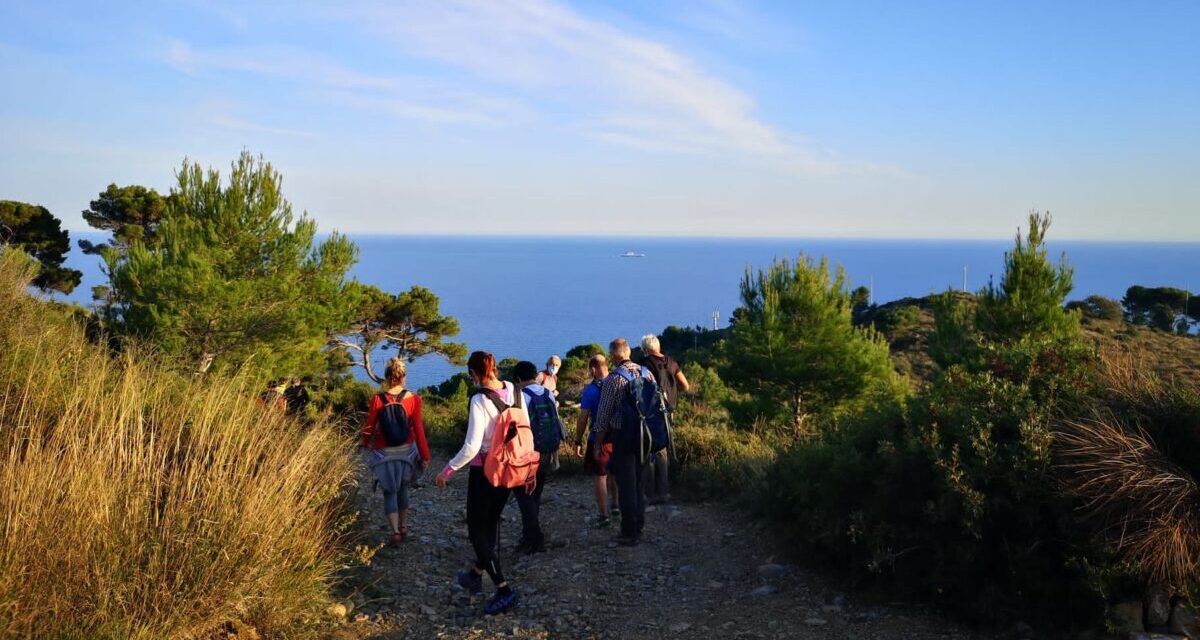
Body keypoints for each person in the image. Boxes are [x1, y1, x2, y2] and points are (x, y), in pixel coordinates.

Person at [436, 351, 520, 615]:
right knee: (490, 522)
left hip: (485, 471)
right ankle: (474, 574)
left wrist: (448, 470)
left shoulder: (479, 399)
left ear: (473, 373)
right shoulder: (514, 391)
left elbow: (472, 446)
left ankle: (504, 589)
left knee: (476, 532)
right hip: (510, 468)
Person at [592, 338, 655, 546]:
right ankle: (639, 524)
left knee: (626, 485)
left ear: (613, 356)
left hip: (623, 436)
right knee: (639, 482)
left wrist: (598, 444)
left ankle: (629, 532)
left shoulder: (613, 379)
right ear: (628, 352)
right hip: (646, 436)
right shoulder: (647, 373)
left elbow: (603, 416)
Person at [361, 358, 430, 546]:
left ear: (386, 377)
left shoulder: (377, 399)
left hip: (384, 452)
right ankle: (404, 526)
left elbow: (369, 427)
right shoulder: (413, 399)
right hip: (407, 451)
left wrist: (364, 443)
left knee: (389, 491)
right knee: (403, 488)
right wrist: (425, 455)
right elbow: (419, 429)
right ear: (403, 377)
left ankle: (395, 532)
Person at [512, 360, 563, 553]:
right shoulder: (547, 393)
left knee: (524, 495)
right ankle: (530, 536)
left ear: (518, 379)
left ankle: (534, 538)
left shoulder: (521, 396)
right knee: (536, 494)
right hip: (548, 450)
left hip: (529, 454)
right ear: (535, 375)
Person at [639, 334, 690, 505]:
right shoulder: (672, 362)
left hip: (651, 412)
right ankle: (664, 492)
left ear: (646, 349)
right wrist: (671, 393)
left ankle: (649, 493)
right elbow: (685, 385)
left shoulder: (645, 364)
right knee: (662, 450)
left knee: (647, 449)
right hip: (669, 412)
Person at [573, 353, 619, 527]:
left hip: (598, 438)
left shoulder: (591, 390)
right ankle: (616, 506)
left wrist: (578, 440)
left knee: (601, 476)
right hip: (618, 437)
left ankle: (603, 516)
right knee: (615, 473)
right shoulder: (618, 383)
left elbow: (583, 418)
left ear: (593, 369)